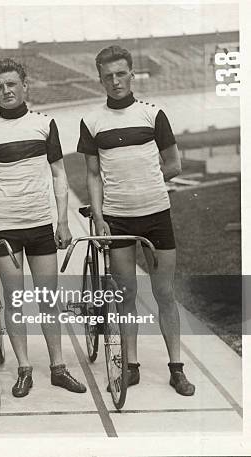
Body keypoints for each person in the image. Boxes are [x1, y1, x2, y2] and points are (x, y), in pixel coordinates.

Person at [77, 45, 194, 396]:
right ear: (100, 79)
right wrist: (98, 216)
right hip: (118, 221)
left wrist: (148, 183)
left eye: (121, 74)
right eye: (108, 76)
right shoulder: (92, 121)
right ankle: (131, 367)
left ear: (131, 74)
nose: (115, 81)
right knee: (126, 295)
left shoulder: (152, 114)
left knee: (164, 293)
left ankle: (177, 369)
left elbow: (174, 164)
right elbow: (93, 175)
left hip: (157, 216)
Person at [0, 58, 86, 398]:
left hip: (40, 224)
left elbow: (59, 174)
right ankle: (23, 369)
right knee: (15, 300)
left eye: (12, 84)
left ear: (24, 85)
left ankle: (58, 367)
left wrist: (62, 220)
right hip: (5, 226)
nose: (6, 91)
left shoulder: (44, 124)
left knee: (48, 298)